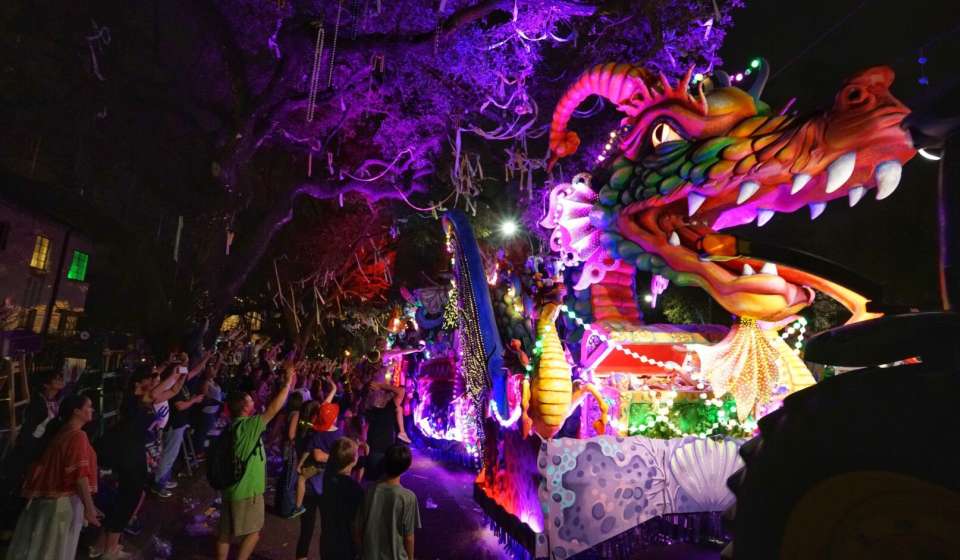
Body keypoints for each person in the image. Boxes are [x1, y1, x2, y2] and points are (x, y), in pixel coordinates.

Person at [93, 364, 184, 559]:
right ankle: (110, 551)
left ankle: (102, 546)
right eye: (150, 378)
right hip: (129, 456)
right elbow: (161, 388)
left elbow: (175, 390)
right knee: (127, 501)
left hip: (135, 453)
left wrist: (182, 373)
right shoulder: (136, 400)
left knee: (125, 500)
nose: (154, 380)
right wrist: (173, 374)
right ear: (138, 383)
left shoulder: (148, 398)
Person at [216, 360, 296, 560]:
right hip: (247, 491)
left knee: (225, 533)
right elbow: (273, 409)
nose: (254, 401)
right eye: (250, 400)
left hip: (230, 488)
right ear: (244, 408)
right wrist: (287, 384)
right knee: (253, 533)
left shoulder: (233, 426)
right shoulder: (249, 427)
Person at [7, 393, 101, 560]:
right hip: (63, 506)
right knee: (55, 551)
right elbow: (80, 476)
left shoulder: (61, 432)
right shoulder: (77, 436)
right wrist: (89, 508)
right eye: (88, 406)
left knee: (41, 549)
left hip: (49, 505)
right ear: (76, 411)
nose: (91, 410)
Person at [0, 370, 65, 540]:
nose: (60, 379)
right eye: (56, 377)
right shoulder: (38, 403)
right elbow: (28, 433)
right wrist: (31, 457)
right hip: (27, 454)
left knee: (23, 491)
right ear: (46, 384)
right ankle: (6, 528)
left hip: (37, 453)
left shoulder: (54, 401)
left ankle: (10, 528)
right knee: (14, 490)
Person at [152, 351, 212, 497]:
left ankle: (164, 480)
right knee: (168, 455)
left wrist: (206, 358)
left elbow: (194, 371)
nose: (182, 371)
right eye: (178, 369)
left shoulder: (180, 381)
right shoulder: (169, 386)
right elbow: (179, 406)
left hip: (179, 424)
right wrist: (194, 400)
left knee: (171, 455)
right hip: (174, 424)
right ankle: (158, 484)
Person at [354, 444, 421, 560]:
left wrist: (362, 552)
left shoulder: (369, 489)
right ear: (407, 467)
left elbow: (357, 528)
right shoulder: (408, 497)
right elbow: (409, 537)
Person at [318, 438, 364, 560]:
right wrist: (360, 547)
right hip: (345, 545)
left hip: (327, 541)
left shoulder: (328, 478)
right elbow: (356, 523)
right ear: (354, 460)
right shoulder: (354, 488)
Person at [275, 391, 304, 518]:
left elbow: (278, 430)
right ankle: (287, 510)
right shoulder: (296, 414)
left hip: (284, 447)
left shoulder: (285, 413)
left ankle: (279, 505)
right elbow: (292, 435)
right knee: (289, 480)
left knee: (284, 477)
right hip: (291, 449)